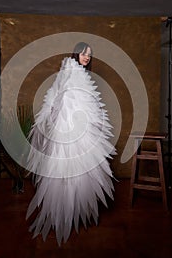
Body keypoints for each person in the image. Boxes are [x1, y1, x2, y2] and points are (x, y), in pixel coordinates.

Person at [26, 42, 116, 245]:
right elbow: (57, 98)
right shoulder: (69, 71)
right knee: (67, 170)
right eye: (84, 53)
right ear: (76, 53)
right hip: (67, 131)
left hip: (82, 131)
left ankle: (75, 212)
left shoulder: (81, 75)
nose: (87, 57)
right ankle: (64, 214)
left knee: (81, 171)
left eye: (90, 55)